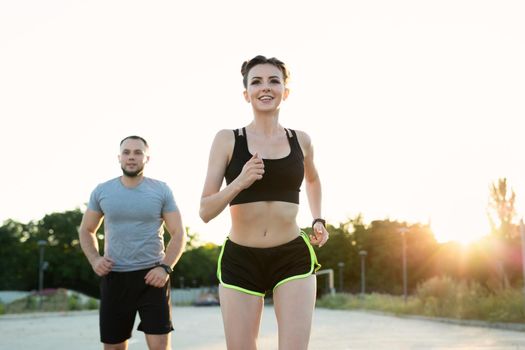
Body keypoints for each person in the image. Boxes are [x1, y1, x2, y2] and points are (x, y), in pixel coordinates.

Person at [199, 55, 329, 350]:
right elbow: (205, 210)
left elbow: (313, 179)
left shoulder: (302, 140)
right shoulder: (228, 140)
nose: (265, 87)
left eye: (274, 81)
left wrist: (318, 218)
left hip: (292, 256)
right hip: (241, 259)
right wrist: (240, 182)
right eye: (256, 82)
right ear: (246, 94)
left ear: (286, 91)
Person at [79, 135, 186, 350]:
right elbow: (86, 230)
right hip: (115, 278)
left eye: (138, 152)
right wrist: (94, 259)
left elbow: (178, 233)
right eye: (126, 152)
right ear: (119, 158)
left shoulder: (161, 190)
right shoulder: (102, 191)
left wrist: (165, 267)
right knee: (115, 347)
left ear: (147, 158)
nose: (131, 157)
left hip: (153, 278)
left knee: (160, 347)